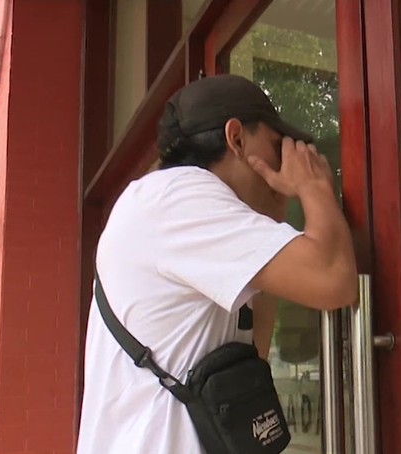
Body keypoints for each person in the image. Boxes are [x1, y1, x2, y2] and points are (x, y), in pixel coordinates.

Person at [77, 75, 357, 453]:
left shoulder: (168, 208)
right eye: (277, 146)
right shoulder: (180, 195)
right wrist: (313, 188)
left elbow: (252, 354)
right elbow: (333, 280)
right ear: (236, 139)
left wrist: (272, 224)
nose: (285, 163)